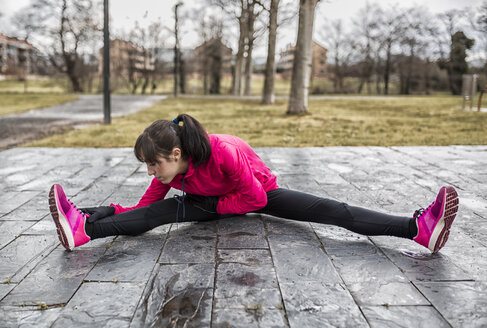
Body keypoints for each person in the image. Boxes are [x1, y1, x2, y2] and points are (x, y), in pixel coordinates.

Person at [48, 114, 459, 253]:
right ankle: (85, 224)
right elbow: (147, 206)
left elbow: (256, 196)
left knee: (334, 212)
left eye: (153, 164)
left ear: (176, 155)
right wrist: (118, 211)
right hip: (207, 200)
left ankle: (417, 229)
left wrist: (216, 208)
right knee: (151, 214)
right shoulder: (175, 174)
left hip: (255, 196)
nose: (151, 173)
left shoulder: (222, 150)